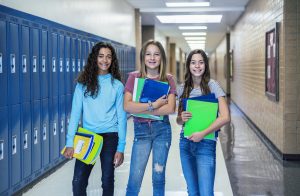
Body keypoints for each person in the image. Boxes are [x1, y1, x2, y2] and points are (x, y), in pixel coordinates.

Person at [63, 42, 127, 196]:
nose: (104, 60)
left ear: (112, 60)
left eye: (108, 57)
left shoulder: (117, 86)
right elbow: (75, 114)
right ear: (94, 58)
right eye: (101, 56)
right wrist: (69, 142)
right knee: (78, 181)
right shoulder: (82, 85)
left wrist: (121, 147)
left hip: (110, 137)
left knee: (107, 180)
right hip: (88, 136)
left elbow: (122, 117)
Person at [124, 40, 176, 196]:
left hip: (162, 131)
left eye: (156, 54)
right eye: (148, 54)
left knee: (158, 178)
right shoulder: (134, 77)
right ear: (143, 57)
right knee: (135, 178)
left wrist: (140, 108)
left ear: (162, 58)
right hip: (141, 133)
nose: (152, 58)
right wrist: (155, 105)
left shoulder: (168, 79)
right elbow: (127, 106)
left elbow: (170, 108)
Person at [176, 49, 230, 196]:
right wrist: (182, 117)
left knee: (206, 192)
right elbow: (178, 121)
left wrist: (203, 133)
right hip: (185, 143)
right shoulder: (182, 88)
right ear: (188, 65)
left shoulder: (213, 86)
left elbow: (225, 117)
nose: (197, 66)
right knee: (192, 192)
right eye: (193, 62)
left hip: (206, 143)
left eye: (201, 62)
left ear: (205, 65)